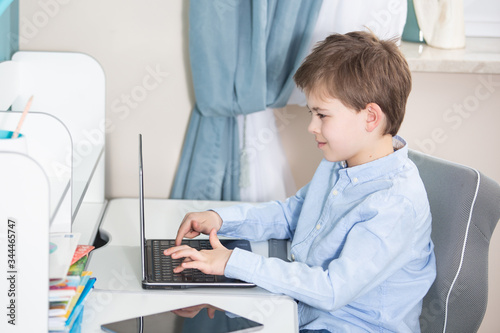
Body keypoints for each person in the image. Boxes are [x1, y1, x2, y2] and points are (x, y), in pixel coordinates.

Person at [164, 30, 436, 333]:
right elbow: (290, 214)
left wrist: (232, 263)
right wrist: (219, 220)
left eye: (322, 115)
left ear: (370, 118)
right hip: (299, 312)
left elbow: (331, 289)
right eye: (312, 113)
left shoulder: (393, 203)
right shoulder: (340, 164)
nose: (311, 126)